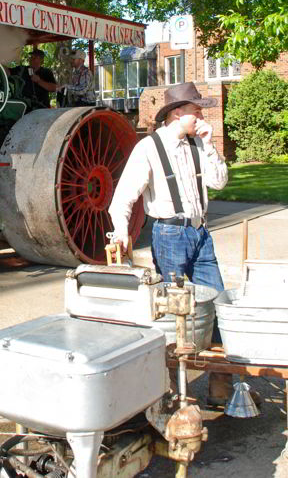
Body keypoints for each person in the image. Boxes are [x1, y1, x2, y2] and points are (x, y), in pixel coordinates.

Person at [108, 81, 232, 405]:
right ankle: (172, 391)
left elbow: (219, 181)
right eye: (196, 110)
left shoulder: (198, 144)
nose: (201, 116)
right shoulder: (149, 148)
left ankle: (220, 381)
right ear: (178, 113)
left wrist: (210, 144)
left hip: (201, 232)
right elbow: (122, 197)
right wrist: (121, 231)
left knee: (218, 303)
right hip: (170, 235)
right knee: (172, 314)